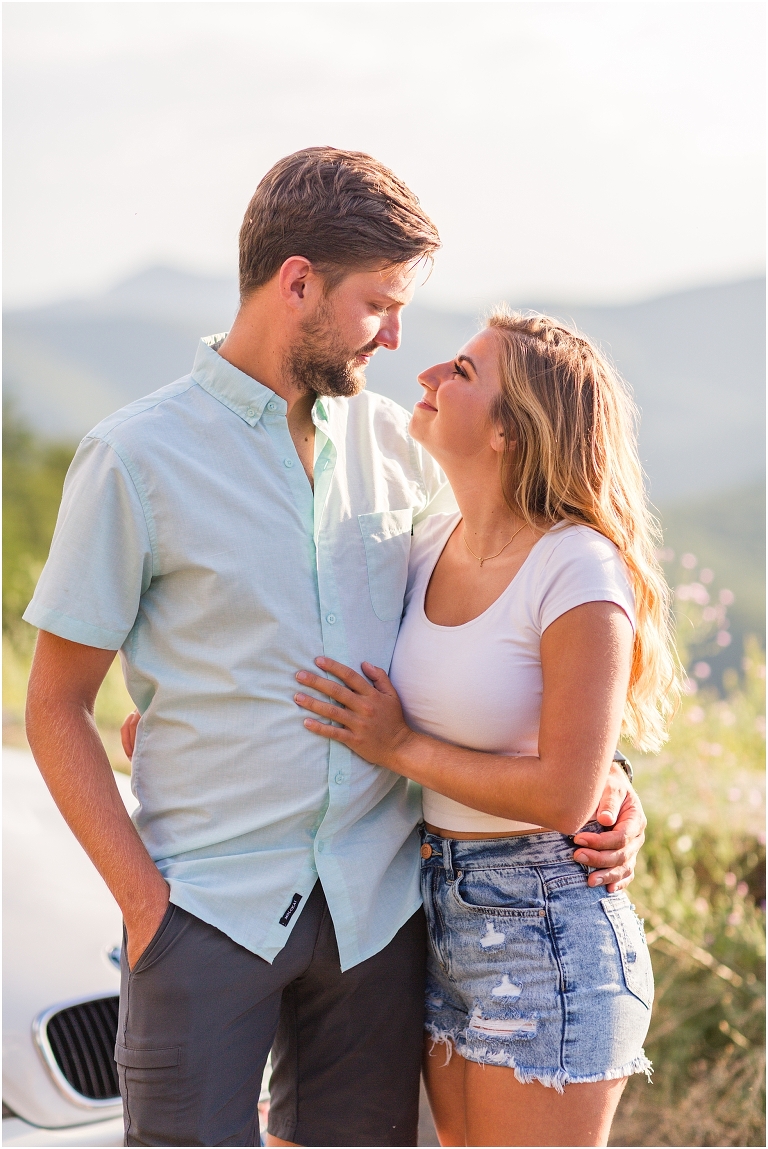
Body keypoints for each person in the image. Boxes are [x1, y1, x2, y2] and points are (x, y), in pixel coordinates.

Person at [24, 148, 645, 1149]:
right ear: (297, 282)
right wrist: (146, 907)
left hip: (381, 918)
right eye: (378, 306)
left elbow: (500, 617)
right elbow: (54, 705)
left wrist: (605, 784)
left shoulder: (399, 446)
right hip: (207, 912)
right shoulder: (135, 458)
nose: (399, 339)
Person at [294, 309, 678, 1147]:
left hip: (545, 924)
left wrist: (400, 748)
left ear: (511, 428)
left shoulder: (576, 563)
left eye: (463, 372)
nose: (428, 375)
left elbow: (564, 794)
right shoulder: (430, 539)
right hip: (438, 911)